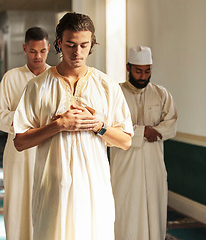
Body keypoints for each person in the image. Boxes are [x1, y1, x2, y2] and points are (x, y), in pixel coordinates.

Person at [13, 12, 133, 240]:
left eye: (84, 45)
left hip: (94, 189)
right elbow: (20, 141)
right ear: (58, 43)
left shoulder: (106, 86)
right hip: (52, 189)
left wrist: (99, 126)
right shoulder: (38, 86)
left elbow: (126, 141)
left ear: (91, 45)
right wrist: (58, 126)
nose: (77, 52)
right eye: (70, 45)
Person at [110, 46, 178, 240]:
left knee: (154, 212)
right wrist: (141, 132)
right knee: (126, 212)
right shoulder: (116, 93)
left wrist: (155, 132)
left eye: (147, 71)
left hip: (154, 165)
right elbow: (109, 129)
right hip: (125, 168)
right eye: (138, 71)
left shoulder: (161, 94)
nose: (143, 76)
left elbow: (171, 123)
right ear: (128, 68)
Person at [0, 27, 50, 240]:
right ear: (24, 49)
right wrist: (26, 120)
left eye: (42, 51)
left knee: (47, 200)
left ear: (49, 49)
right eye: (33, 51)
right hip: (17, 152)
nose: (38, 56)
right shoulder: (11, 77)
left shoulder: (56, 77)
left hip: (48, 149)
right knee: (17, 200)